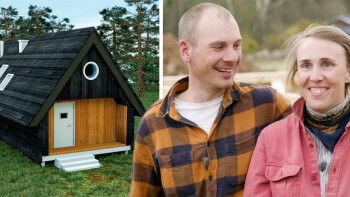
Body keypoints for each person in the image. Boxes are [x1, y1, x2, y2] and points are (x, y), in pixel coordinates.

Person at [131, 2, 292, 196]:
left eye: (236, 45)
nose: (232, 57)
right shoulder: (153, 124)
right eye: (219, 47)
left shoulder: (268, 105)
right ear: (185, 51)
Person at [244, 25, 350, 196]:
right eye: (306, 65)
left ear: (348, 72)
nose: (315, 76)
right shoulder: (270, 139)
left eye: (327, 64)